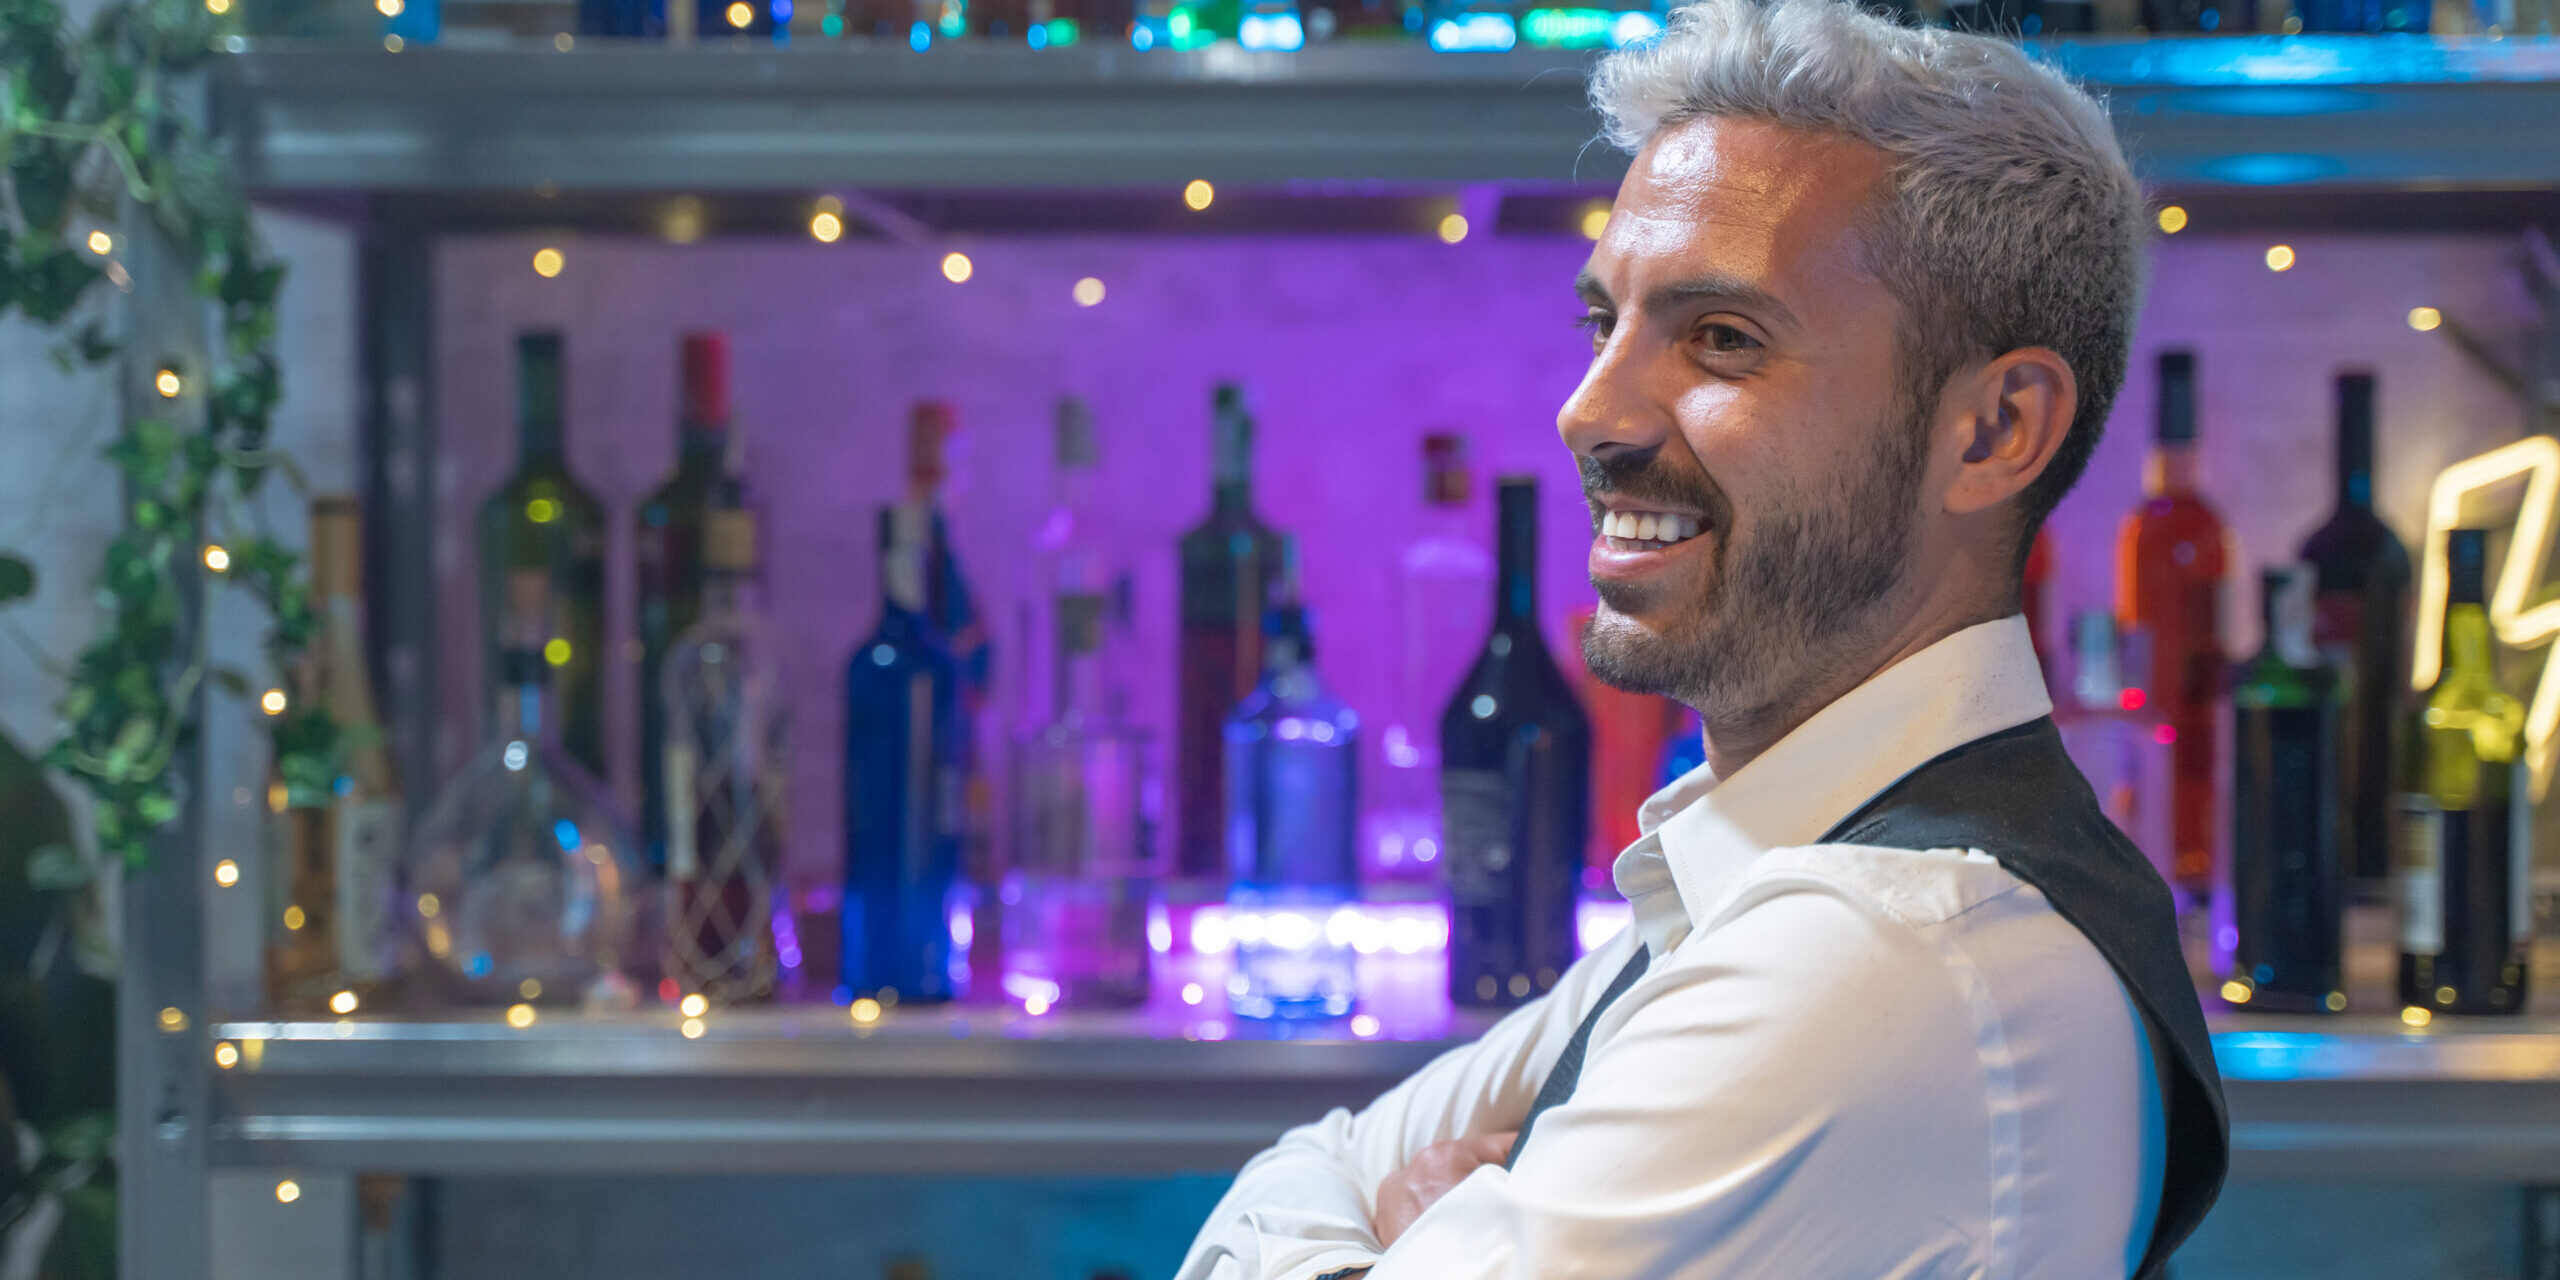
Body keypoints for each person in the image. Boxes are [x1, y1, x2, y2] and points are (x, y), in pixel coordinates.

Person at [1172, 0, 2229, 1276]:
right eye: (1600, 324)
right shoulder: (1759, 874)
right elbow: (1316, 1157)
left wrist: (1420, 1217)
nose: (1589, 410)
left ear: (1995, 429)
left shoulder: (1873, 946)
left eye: (1721, 338)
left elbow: (1286, 1197)